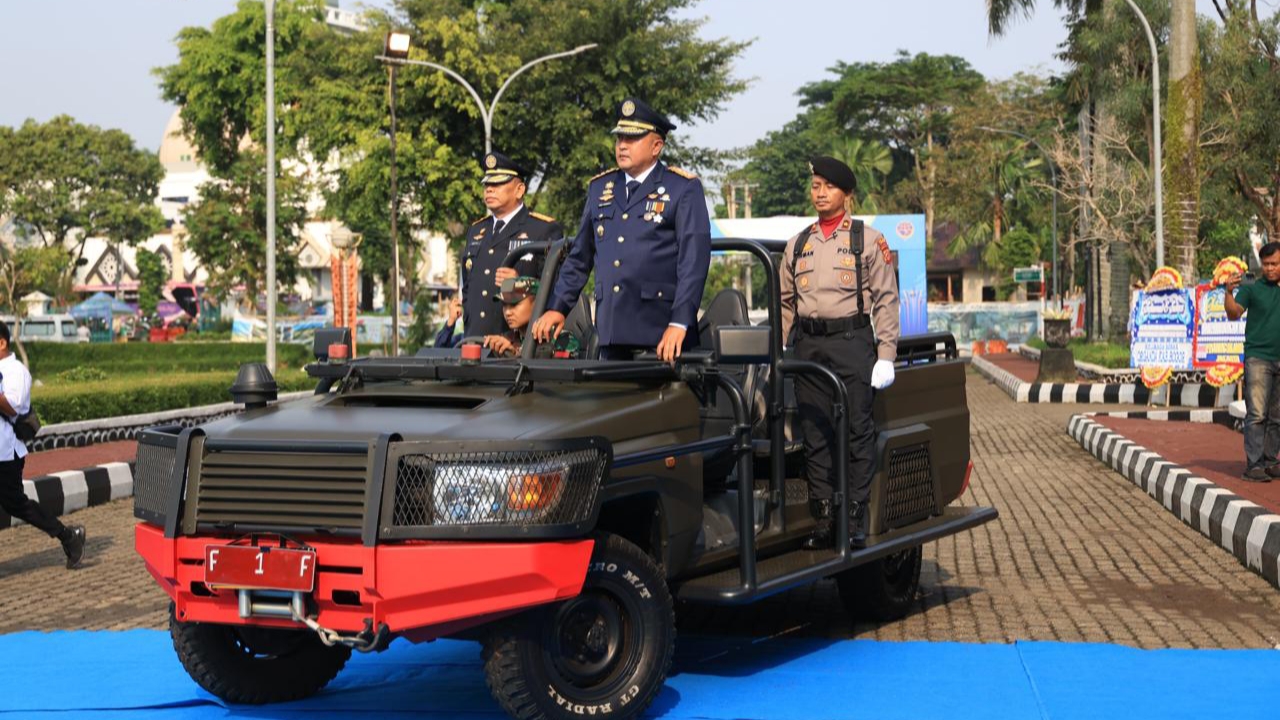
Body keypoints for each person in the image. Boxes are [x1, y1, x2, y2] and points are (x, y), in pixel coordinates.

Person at [780, 156, 900, 549]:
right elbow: (784, 303)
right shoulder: (799, 243)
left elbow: (885, 299)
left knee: (855, 431)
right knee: (815, 433)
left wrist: (886, 353)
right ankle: (825, 518)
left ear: (846, 195)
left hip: (852, 344)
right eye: (815, 186)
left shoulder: (866, 239)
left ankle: (854, 515)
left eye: (828, 187)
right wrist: (779, 348)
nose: (820, 193)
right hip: (809, 345)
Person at [533, 98, 711, 362]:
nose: (622, 145)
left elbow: (693, 263)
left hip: (660, 335)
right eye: (619, 138)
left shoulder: (681, 189)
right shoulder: (600, 188)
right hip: (611, 332)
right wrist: (558, 307)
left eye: (633, 138)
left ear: (657, 146)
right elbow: (580, 258)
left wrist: (680, 322)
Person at [0, 323, 85, 568]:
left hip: (6, 454)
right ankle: (69, 536)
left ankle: (68, 536)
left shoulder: (16, 371)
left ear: (3, 342)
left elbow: (14, 407)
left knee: (16, 504)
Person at [460, 151, 563, 339]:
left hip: (514, 345)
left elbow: (556, 289)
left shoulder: (543, 230)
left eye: (498, 184)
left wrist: (520, 282)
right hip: (474, 342)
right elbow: (467, 289)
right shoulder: (476, 231)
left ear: (520, 190)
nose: (489, 189)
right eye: (487, 184)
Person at [1223, 241, 1280, 482]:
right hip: (1258, 358)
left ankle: (1270, 461)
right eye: (1266, 264)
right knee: (1256, 413)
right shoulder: (1252, 288)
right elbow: (1234, 312)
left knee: (1277, 415)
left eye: (1275, 264)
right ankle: (1254, 465)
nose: (1270, 268)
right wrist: (1228, 292)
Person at [484, 276, 581, 359]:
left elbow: (555, 373)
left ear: (537, 303)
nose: (508, 312)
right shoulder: (507, 339)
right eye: (505, 305)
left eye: (514, 305)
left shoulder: (562, 339)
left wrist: (515, 354)